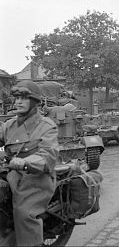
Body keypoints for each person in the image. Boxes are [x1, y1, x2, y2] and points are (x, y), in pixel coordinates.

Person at [0, 80, 60, 246]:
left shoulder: (46, 126)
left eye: (24, 98)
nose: (18, 101)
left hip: (35, 177)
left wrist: (24, 162)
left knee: (23, 212)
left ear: (34, 102)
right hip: (11, 172)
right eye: (17, 97)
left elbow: (48, 155)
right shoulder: (9, 125)